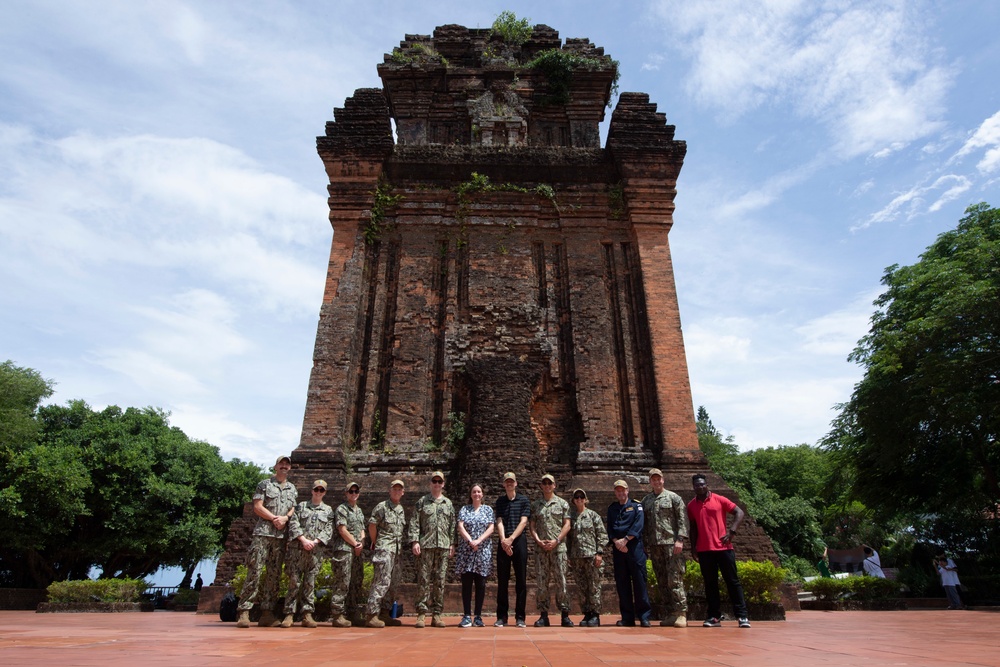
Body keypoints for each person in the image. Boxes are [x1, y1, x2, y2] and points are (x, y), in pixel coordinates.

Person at [236, 455, 298, 628]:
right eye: (281, 464)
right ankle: (244, 612)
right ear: (275, 466)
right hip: (264, 533)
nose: (284, 466)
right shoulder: (264, 484)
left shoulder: (292, 489)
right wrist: (274, 518)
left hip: (280, 536)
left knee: (274, 573)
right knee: (254, 570)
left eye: (287, 464)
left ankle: (267, 612)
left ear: (290, 468)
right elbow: (257, 506)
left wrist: (285, 518)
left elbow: (293, 508)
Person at [687, 473, 750, 628]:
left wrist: (732, 531)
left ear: (707, 484)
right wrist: (693, 548)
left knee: (733, 582)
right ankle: (714, 616)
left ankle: (742, 616)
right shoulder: (691, 505)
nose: (700, 487)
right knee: (710, 584)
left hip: (724, 548)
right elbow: (693, 528)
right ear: (693, 487)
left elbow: (739, 512)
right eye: (697, 485)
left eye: (702, 484)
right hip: (704, 549)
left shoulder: (719, 499)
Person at [282, 479, 335, 628]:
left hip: (315, 551)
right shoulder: (301, 507)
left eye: (321, 490)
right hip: (298, 550)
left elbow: (328, 529)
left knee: (310, 583)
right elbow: (293, 524)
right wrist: (303, 540)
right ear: (312, 491)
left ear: (324, 493)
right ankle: (289, 614)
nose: (318, 492)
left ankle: (307, 614)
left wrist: (316, 541)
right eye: (316, 490)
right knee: (294, 581)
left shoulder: (328, 510)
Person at [641, 468, 689, 628]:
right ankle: (670, 613)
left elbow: (682, 519)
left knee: (674, 578)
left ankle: (681, 613)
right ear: (650, 482)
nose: (656, 481)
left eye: (658, 479)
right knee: (661, 580)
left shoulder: (673, 498)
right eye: (653, 479)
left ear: (663, 480)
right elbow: (644, 524)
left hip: (671, 544)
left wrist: (680, 539)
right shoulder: (646, 501)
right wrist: (644, 544)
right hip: (655, 545)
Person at [408, 470, 456, 628]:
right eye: (434, 481)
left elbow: (452, 526)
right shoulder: (422, 502)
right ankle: (421, 613)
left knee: (440, 580)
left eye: (439, 482)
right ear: (430, 484)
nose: (436, 484)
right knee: (423, 579)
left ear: (443, 484)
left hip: (442, 546)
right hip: (426, 546)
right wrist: (415, 541)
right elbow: (415, 522)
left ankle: (437, 614)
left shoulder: (448, 504)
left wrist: (452, 544)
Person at [607, 479, 651, 627]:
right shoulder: (612, 508)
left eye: (623, 490)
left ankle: (644, 616)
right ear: (615, 492)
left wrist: (625, 540)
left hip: (634, 548)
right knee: (622, 583)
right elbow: (610, 529)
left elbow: (638, 525)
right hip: (619, 550)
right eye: (617, 490)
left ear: (627, 491)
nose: (620, 493)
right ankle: (627, 617)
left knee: (639, 582)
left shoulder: (636, 506)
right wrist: (616, 542)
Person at [530, 473, 572, 627]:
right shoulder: (536, 505)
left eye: (550, 483)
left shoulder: (562, 504)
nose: (547, 485)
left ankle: (565, 614)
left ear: (554, 485)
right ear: (541, 486)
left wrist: (557, 540)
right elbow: (532, 525)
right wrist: (538, 540)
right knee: (542, 582)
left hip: (558, 548)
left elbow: (567, 524)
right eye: (544, 483)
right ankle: (543, 615)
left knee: (561, 580)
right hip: (541, 549)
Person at [364, 479, 406, 628]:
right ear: (389, 491)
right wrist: (377, 543)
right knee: (381, 581)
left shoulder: (400, 509)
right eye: (394, 489)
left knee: (393, 583)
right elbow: (372, 525)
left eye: (399, 489)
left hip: (397, 550)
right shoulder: (382, 507)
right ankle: (371, 614)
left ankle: (384, 613)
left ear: (403, 492)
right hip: (384, 549)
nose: (396, 491)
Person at [494, 471, 531, 628]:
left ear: (515, 483)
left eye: (512, 481)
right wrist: (504, 540)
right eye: (507, 482)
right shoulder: (500, 501)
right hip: (504, 540)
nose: (509, 484)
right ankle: (502, 616)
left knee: (521, 580)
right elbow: (499, 521)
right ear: (504, 484)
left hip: (519, 540)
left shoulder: (523, 500)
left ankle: (520, 616)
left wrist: (511, 540)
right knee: (502, 580)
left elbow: (523, 522)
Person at [456, 483, 495, 628]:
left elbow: (491, 527)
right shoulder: (465, 509)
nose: (476, 494)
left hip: (482, 550)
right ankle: (466, 615)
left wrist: (479, 540)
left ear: (482, 494)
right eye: (474, 492)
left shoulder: (488, 510)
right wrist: (470, 540)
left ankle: (478, 616)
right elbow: (460, 526)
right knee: (466, 584)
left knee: (481, 584)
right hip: (467, 550)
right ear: (470, 494)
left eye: (479, 491)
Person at [567, 488, 607, 627]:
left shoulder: (593, 516)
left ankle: (595, 614)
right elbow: (569, 538)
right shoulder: (571, 518)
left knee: (594, 586)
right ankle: (587, 613)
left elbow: (602, 535)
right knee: (582, 587)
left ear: (585, 499)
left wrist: (599, 553)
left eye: (581, 497)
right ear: (573, 500)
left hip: (591, 556)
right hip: (577, 557)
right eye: (576, 497)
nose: (579, 499)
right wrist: (568, 555)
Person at [330, 481, 366, 627]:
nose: (354, 494)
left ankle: (353, 611)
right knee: (343, 581)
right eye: (351, 492)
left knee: (356, 581)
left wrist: (361, 543)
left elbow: (363, 530)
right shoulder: (342, 509)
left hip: (357, 551)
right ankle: (338, 613)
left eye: (356, 491)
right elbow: (342, 530)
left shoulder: (359, 511)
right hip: (345, 549)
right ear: (346, 493)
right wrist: (355, 543)